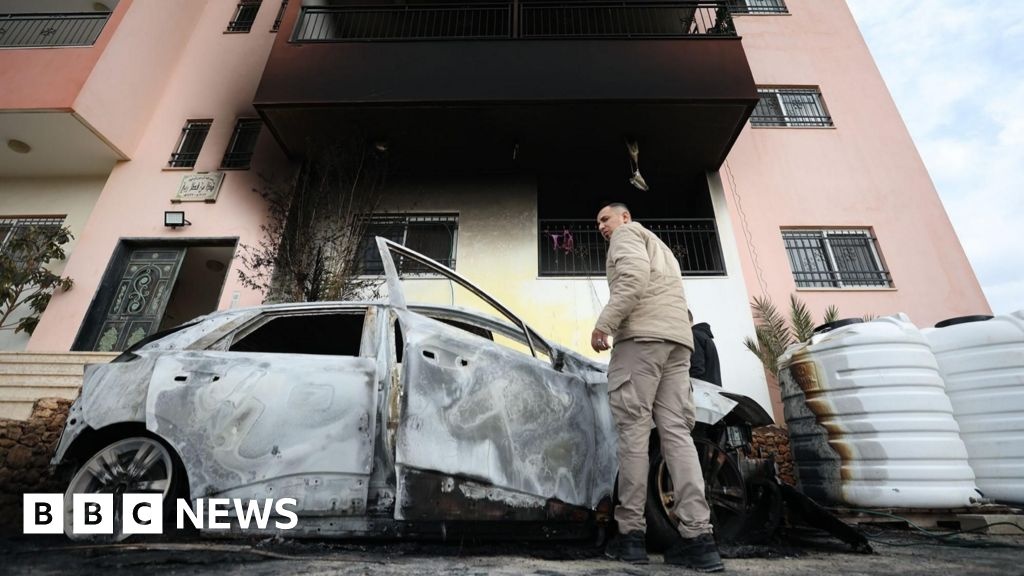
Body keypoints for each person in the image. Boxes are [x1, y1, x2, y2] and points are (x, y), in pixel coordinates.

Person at [591, 202, 724, 572]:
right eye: (598, 222)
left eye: (606, 218)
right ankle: (699, 540)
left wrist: (605, 323)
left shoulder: (626, 235)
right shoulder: (663, 248)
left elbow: (632, 280)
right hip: (677, 343)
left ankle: (630, 537)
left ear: (625, 217)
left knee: (633, 433)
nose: (602, 226)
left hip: (642, 340)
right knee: (678, 436)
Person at [689, 310, 723, 387]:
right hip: (711, 390)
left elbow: (697, 369)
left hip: (702, 392)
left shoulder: (693, 335)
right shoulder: (704, 335)